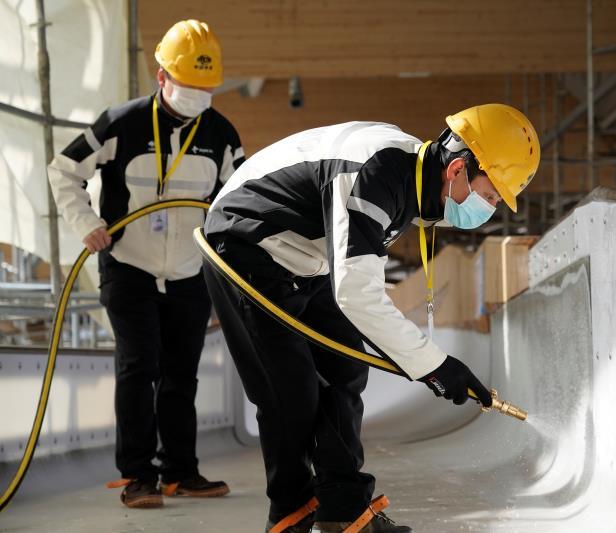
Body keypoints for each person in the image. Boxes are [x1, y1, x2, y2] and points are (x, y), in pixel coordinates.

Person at [202, 103, 540, 532]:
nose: (488, 208)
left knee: (345, 371)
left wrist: (433, 367)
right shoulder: (379, 174)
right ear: (456, 170)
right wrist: (436, 367)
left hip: (305, 257)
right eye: (489, 196)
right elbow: (358, 294)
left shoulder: (410, 183)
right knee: (289, 387)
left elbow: (353, 282)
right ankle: (289, 512)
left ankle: (345, 510)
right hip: (245, 243)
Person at [48, 19, 245, 508]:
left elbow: (239, 198)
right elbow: (63, 171)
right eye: (189, 86)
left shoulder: (221, 133)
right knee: (139, 367)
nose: (199, 96)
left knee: (182, 373)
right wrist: (85, 223)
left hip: (187, 270)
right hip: (128, 266)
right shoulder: (120, 122)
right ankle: (138, 475)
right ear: (162, 77)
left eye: (207, 88)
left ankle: (181, 471)